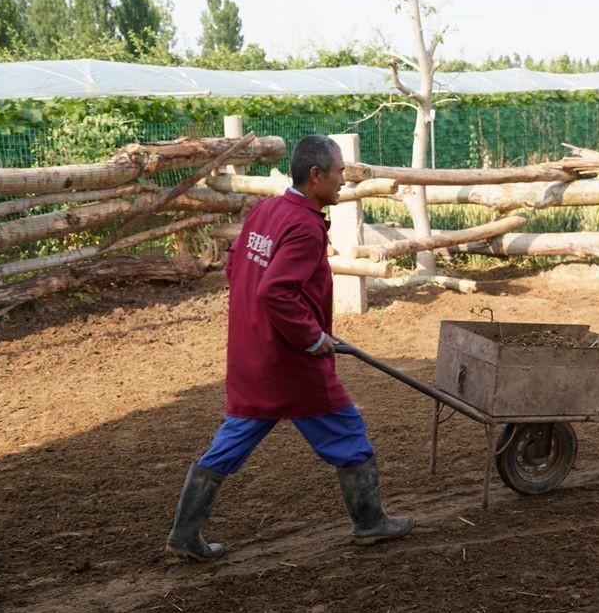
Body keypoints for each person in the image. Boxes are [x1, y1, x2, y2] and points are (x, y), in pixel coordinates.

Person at [166, 134, 414, 561]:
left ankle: (184, 534)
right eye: (338, 173)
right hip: (291, 362)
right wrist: (313, 337)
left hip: (252, 353)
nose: (343, 181)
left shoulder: (268, 210)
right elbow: (277, 293)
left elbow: (236, 266)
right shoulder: (303, 226)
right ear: (316, 176)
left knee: (233, 438)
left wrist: (264, 327)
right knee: (349, 433)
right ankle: (370, 522)